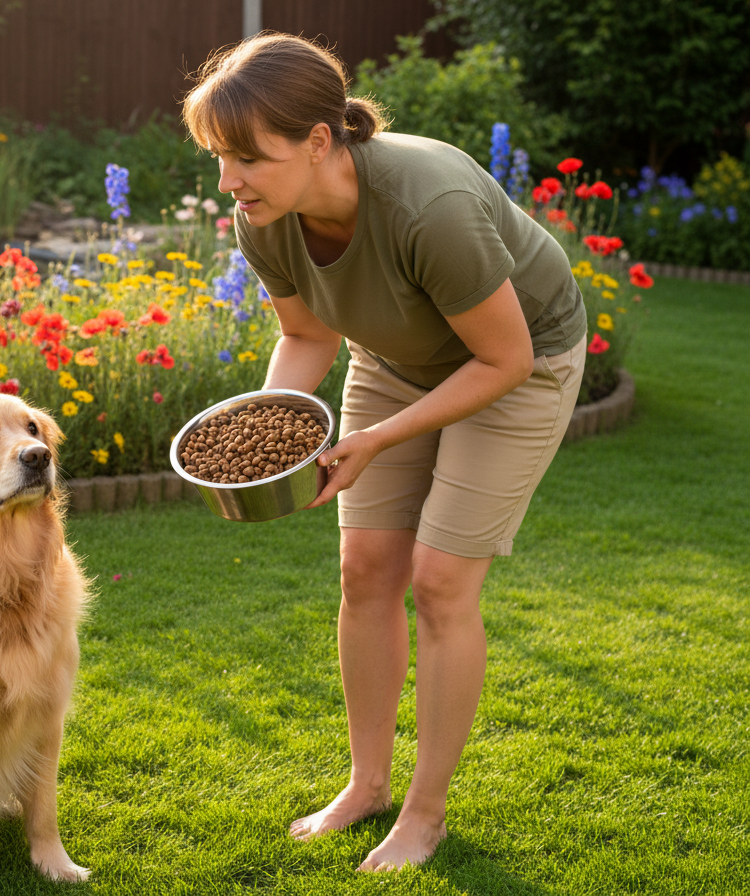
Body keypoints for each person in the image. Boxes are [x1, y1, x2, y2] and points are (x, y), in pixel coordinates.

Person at [182, 33, 587, 872]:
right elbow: (307, 334)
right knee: (365, 568)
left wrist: (372, 439)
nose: (228, 182)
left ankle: (423, 815)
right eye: (219, 157)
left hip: (522, 360)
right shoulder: (264, 219)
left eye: (248, 158)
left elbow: (503, 359)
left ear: (317, 141)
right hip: (397, 360)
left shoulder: (427, 204)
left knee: (439, 583)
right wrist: (273, 430)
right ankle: (366, 785)